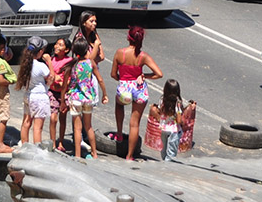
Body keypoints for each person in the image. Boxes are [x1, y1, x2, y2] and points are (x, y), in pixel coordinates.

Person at [111, 25, 163, 161]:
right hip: (139, 90)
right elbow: (159, 74)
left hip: (124, 88)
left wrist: (122, 79)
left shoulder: (119, 53)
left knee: (119, 105)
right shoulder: (143, 56)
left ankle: (119, 133)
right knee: (135, 124)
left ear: (129, 37)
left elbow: (113, 74)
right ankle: (129, 155)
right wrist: (144, 75)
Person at [63, 37, 107, 160]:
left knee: (77, 128)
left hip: (75, 98)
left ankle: (77, 155)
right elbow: (100, 80)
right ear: (87, 50)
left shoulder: (71, 65)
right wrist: (104, 94)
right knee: (88, 126)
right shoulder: (90, 63)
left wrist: (62, 100)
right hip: (88, 98)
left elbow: (65, 85)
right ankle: (94, 153)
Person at [14, 35, 50, 150]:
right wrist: (49, 61)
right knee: (37, 127)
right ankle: (37, 151)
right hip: (39, 97)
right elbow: (51, 78)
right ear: (40, 52)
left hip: (29, 96)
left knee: (26, 123)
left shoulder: (26, 64)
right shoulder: (41, 66)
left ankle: (25, 147)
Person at [148, 79, 194, 161]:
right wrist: (183, 123)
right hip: (174, 130)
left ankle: (164, 160)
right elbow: (179, 120)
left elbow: (160, 111)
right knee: (171, 152)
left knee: (164, 148)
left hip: (164, 128)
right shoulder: (177, 103)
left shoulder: (162, 100)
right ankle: (167, 166)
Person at [0, 35, 18, 153]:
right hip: (1, 90)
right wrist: (10, 81)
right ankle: (0, 143)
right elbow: (1, 80)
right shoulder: (0, 63)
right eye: (0, 48)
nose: (3, 50)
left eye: (4, 48)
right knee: (3, 117)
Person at [47, 37, 72, 152]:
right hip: (52, 92)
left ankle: (60, 141)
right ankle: (52, 142)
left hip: (64, 93)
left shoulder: (69, 61)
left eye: (60, 45)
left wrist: (61, 82)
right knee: (53, 118)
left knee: (63, 118)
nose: (57, 46)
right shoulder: (52, 60)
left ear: (66, 50)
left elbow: (68, 80)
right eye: (56, 44)